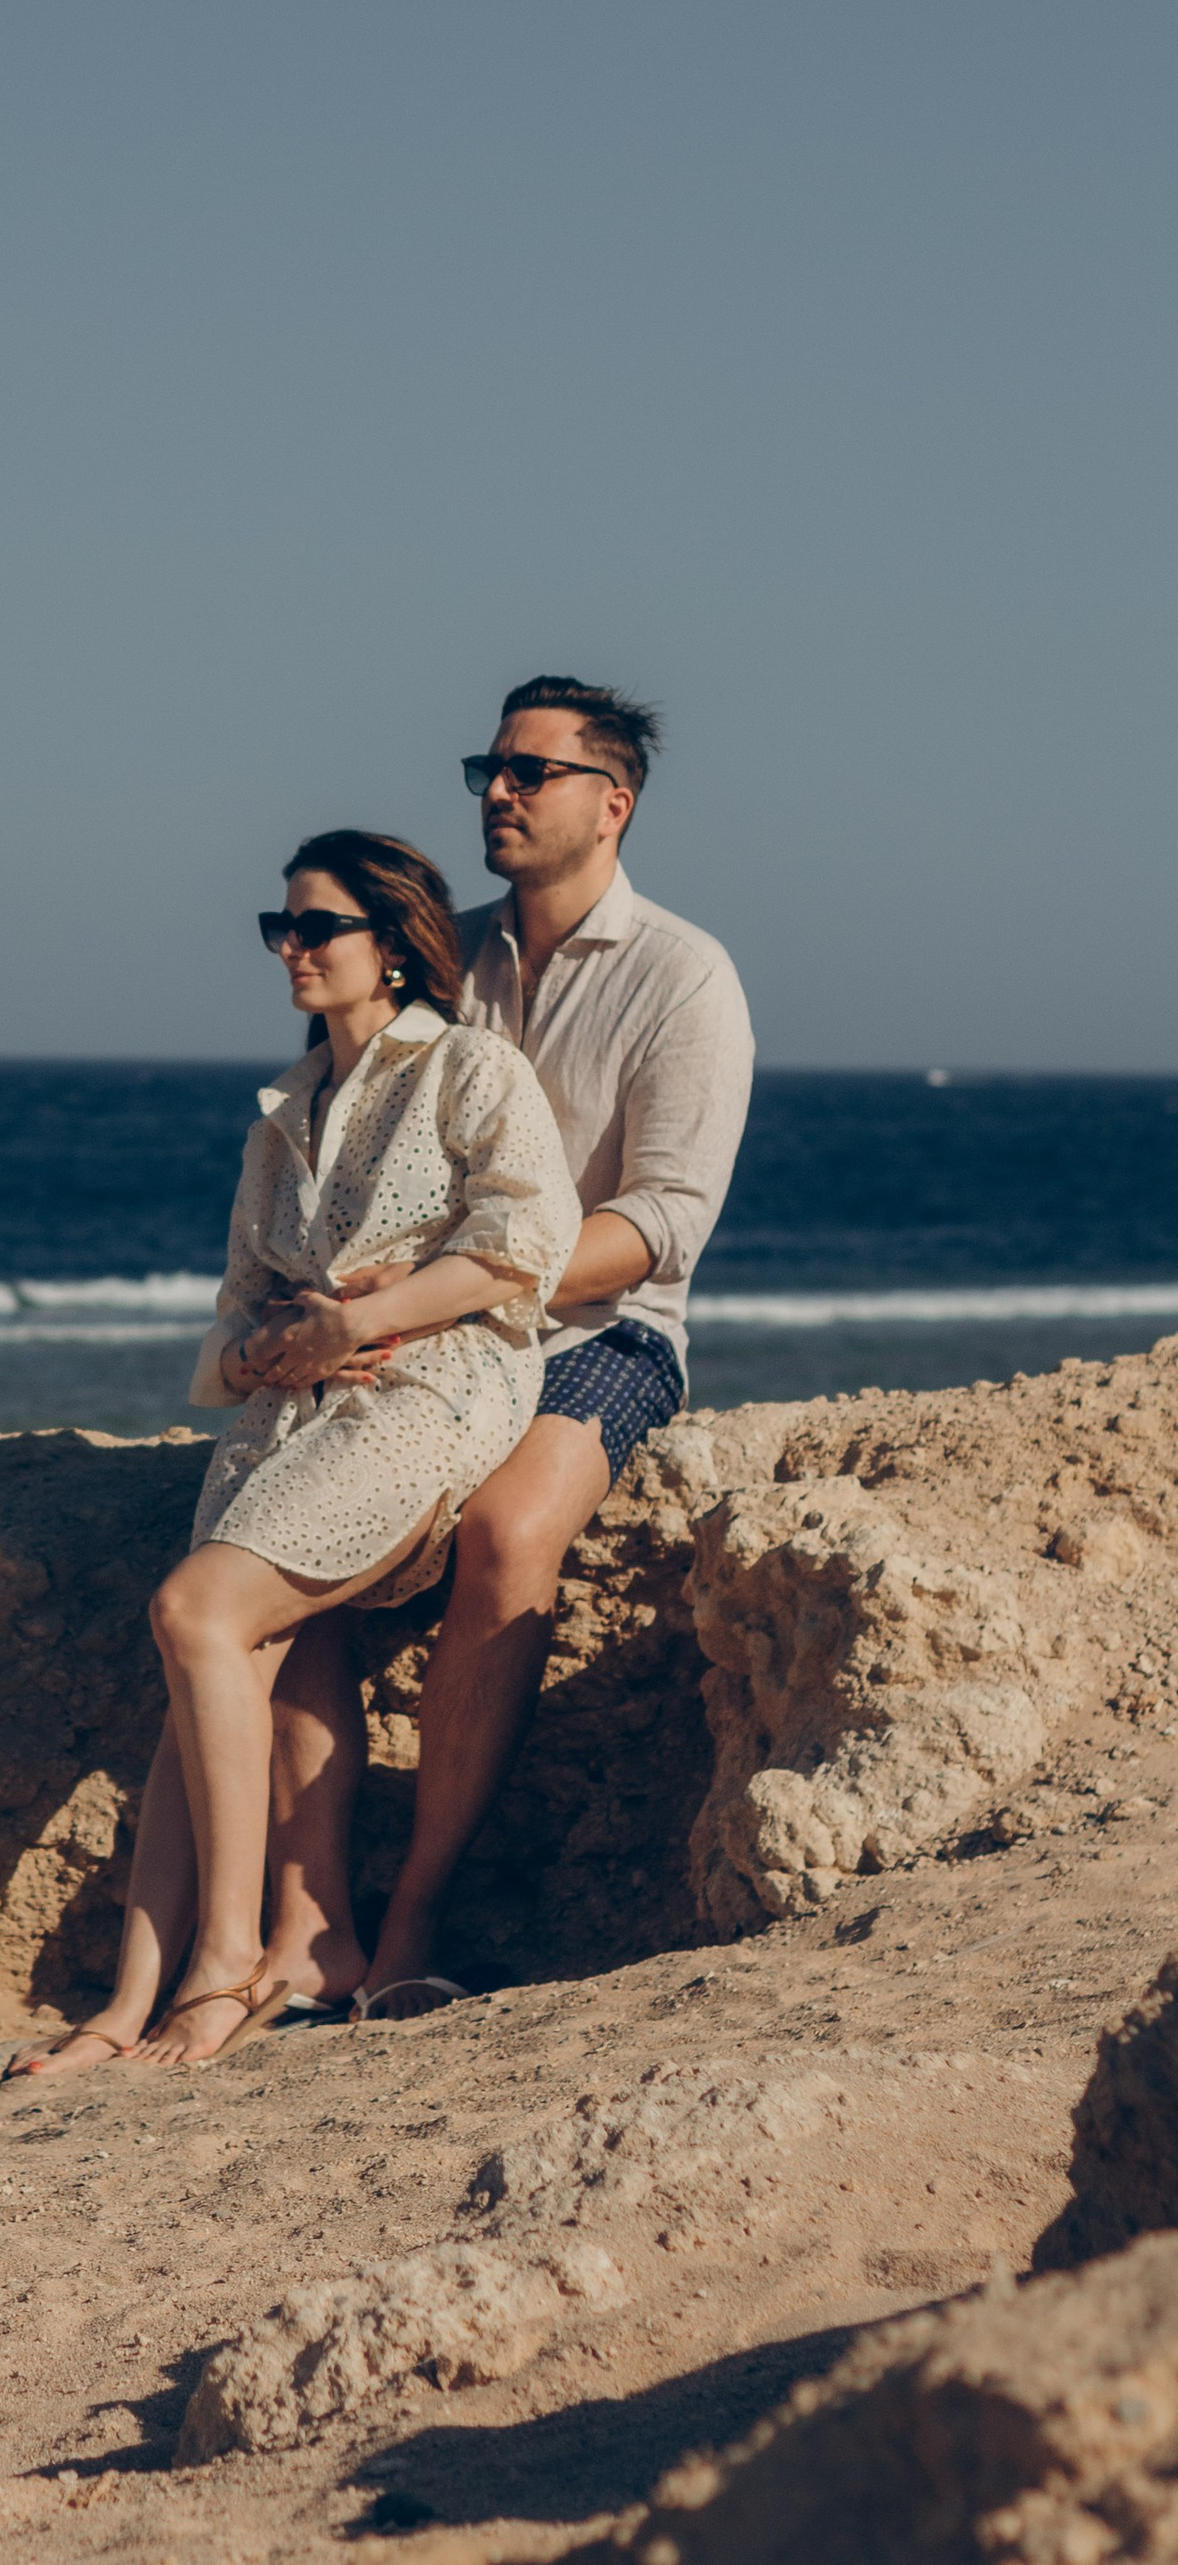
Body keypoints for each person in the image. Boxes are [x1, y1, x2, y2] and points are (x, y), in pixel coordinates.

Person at [7, 831, 579, 2076]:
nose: (292, 948)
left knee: (195, 1610)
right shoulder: (282, 1112)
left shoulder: (471, 1070)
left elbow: (526, 1248)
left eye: (318, 926)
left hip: (427, 1391)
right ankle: (129, 1999)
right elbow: (234, 1310)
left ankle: (227, 1959)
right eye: (280, 926)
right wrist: (270, 1345)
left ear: (395, 946)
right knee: (204, 1655)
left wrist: (356, 1321)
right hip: (286, 1414)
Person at [263, 679, 755, 2018]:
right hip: (415, 1331)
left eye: (530, 772)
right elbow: (334, 1144)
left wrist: (452, 1286)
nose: (497, 790)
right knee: (287, 1530)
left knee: (505, 1529)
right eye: (490, 766)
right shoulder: (434, 959)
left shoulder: (682, 974)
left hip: (602, 1333)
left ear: (614, 803)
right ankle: (313, 1929)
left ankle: (416, 1923)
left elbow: (664, 1221)